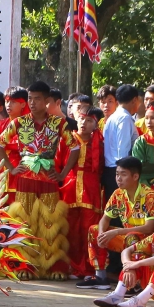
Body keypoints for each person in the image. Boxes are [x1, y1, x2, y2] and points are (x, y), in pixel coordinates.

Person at [0, 81, 78, 279]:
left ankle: (52, 266)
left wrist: (63, 173)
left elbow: (75, 147)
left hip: (48, 178)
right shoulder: (18, 123)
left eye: (37, 98)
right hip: (25, 178)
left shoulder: (59, 123)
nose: (32, 102)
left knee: (51, 222)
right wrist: (11, 168)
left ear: (47, 100)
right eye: (30, 98)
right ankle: (25, 265)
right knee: (25, 221)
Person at [94, 198, 154, 307]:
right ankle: (118, 295)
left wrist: (136, 264)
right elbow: (126, 251)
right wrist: (128, 266)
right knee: (138, 255)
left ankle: (140, 301)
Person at [81, 156, 154, 290]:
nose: (118, 178)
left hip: (148, 240)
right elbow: (105, 218)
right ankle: (100, 277)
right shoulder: (118, 194)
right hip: (128, 238)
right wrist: (102, 233)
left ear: (135, 177)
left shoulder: (149, 195)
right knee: (94, 229)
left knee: (132, 237)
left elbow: (149, 228)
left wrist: (117, 231)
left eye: (123, 174)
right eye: (117, 174)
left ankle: (135, 283)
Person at [61, 107, 104, 279]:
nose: (84, 123)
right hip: (69, 186)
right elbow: (59, 162)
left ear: (95, 124)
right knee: (71, 229)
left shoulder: (99, 142)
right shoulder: (68, 140)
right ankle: (72, 267)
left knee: (89, 229)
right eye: (81, 119)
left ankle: (88, 268)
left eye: (89, 120)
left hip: (91, 188)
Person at [101, 84, 140, 204]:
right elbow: (123, 150)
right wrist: (124, 174)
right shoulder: (124, 118)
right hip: (120, 171)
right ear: (134, 100)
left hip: (112, 170)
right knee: (121, 210)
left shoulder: (113, 118)